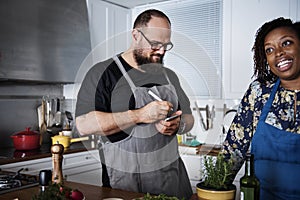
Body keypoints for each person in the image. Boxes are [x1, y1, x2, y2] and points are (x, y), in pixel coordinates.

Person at [75, 9, 194, 199]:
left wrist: (179, 125)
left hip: (170, 183)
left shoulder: (169, 76)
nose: (161, 51)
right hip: (125, 185)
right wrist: (139, 115)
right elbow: (84, 125)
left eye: (166, 45)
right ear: (136, 35)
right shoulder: (103, 73)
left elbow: (189, 118)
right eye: (155, 44)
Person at [222, 17, 300, 199]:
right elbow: (233, 150)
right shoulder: (259, 92)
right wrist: (213, 188)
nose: (278, 53)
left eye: (286, 43)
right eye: (270, 50)